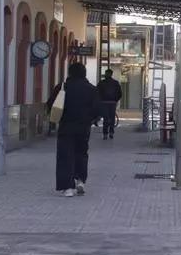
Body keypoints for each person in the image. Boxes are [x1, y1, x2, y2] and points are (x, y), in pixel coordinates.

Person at [46, 62, 99, 197]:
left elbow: (50, 105)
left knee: (65, 155)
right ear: (84, 73)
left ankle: (68, 187)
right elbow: (97, 110)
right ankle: (80, 181)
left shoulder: (62, 87)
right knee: (81, 153)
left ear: (70, 73)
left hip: (66, 127)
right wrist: (90, 120)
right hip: (83, 127)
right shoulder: (91, 89)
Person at [97, 68, 123, 140]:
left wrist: (100, 101)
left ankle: (105, 134)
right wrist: (115, 100)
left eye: (106, 73)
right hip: (112, 103)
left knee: (106, 118)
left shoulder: (101, 83)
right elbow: (120, 93)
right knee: (111, 118)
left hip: (104, 103)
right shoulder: (115, 83)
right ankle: (111, 132)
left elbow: (97, 92)